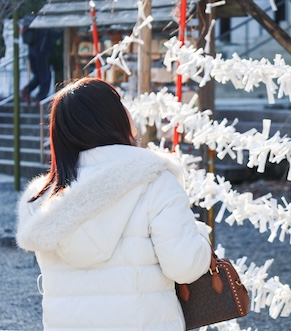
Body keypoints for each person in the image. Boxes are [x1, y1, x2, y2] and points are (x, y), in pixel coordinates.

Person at [16, 77, 212, 330]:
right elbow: (185, 267)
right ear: (113, 117)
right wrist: (197, 234)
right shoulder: (154, 179)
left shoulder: (41, 197)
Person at [21, 15, 53, 105]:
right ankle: (40, 98)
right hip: (42, 54)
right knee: (46, 76)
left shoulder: (32, 25)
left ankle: (27, 89)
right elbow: (50, 36)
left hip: (32, 54)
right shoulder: (43, 26)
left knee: (39, 76)